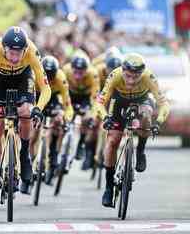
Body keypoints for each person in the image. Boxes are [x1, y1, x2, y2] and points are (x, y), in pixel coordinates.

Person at [0, 26, 51, 202]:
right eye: (11, 53)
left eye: (19, 53)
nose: (15, 58)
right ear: (4, 49)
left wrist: (38, 108)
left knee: (25, 111)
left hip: (23, 78)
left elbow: (45, 88)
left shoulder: (32, 52)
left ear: (25, 50)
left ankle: (24, 155)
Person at [95, 52, 170, 207]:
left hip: (142, 99)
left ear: (141, 74)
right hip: (119, 100)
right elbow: (100, 102)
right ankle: (109, 187)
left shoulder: (148, 77)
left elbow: (163, 103)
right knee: (112, 141)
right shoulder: (114, 76)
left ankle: (140, 150)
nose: (131, 80)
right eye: (128, 76)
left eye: (135, 77)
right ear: (122, 71)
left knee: (146, 114)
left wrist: (159, 122)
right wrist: (105, 118)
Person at [30, 55, 74, 185]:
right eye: (46, 75)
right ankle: (29, 165)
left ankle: (54, 155)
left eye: (51, 76)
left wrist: (66, 119)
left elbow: (67, 105)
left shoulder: (61, 78)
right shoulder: (33, 75)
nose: (48, 79)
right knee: (33, 135)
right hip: (36, 97)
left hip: (53, 99)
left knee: (59, 120)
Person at [63, 50, 100, 170]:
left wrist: (92, 115)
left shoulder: (93, 74)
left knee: (86, 118)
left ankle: (81, 143)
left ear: (86, 70)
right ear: (71, 68)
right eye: (76, 72)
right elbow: (61, 91)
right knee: (64, 117)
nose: (78, 75)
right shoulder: (65, 70)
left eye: (81, 72)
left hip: (85, 97)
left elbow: (95, 98)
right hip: (70, 95)